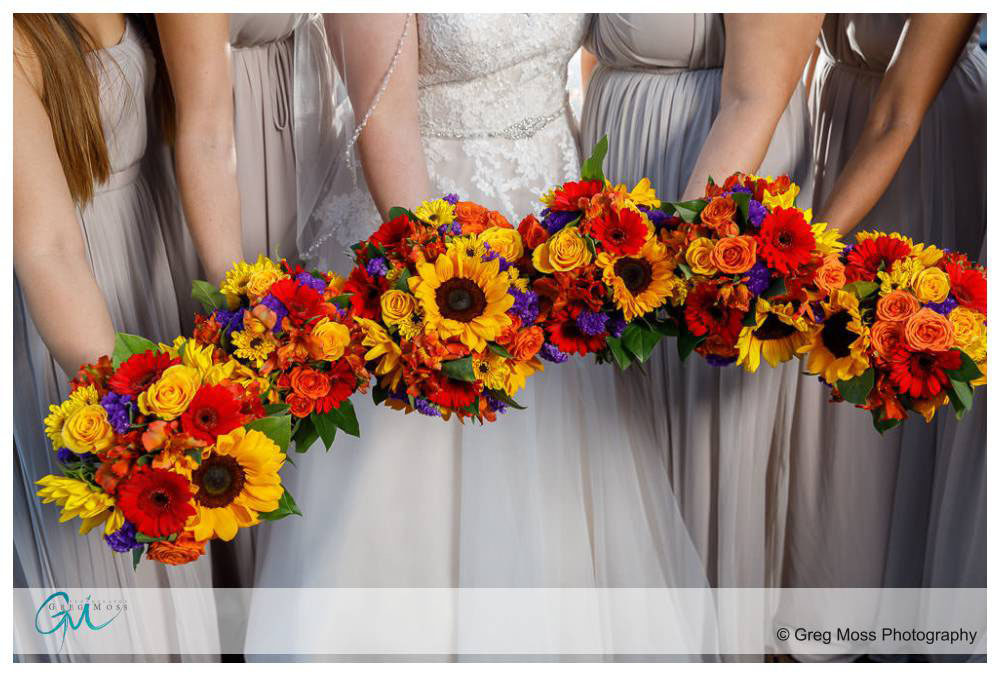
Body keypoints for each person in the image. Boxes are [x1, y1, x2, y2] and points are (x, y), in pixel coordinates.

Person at [245, 13, 717, 658]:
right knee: (409, 454)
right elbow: (383, 119)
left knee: (558, 456)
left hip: (549, 213)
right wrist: (439, 287)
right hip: (425, 214)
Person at [580, 12, 823, 659]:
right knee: (610, 435)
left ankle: (713, 651)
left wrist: (675, 256)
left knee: (704, 439)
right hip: (619, 161)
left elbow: (757, 95)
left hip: (719, 173)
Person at [778, 13, 985, 660]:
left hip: (917, 139)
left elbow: (897, 114)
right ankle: (829, 605)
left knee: (894, 366)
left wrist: (805, 257)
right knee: (831, 387)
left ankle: (901, 619)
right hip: (839, 123)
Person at [13, 12, 217, 659]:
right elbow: (48, 247)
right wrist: (127, 418)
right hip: (75, 312)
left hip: (153, 264)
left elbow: (208, 131)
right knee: (123, 596)